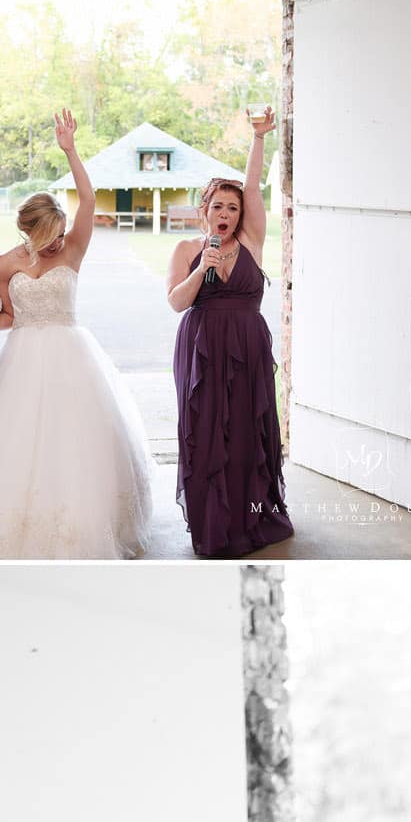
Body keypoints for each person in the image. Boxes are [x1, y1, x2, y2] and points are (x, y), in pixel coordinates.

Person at [0, 109, 154, 558]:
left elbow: (88, 202)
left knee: (74, 447)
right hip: (22, 361)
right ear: (27, 231)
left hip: (72, 359)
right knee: (14, 449)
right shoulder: (6, 264)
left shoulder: (72, 250)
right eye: (48, 236)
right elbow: (10, 315)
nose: (57, 243)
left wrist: (70, 150)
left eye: (61, 234)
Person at [168, 111, 293, 558]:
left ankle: (248, 517)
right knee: (204, 434)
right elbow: (177, 302)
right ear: (205, 210)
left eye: (232, 207)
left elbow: (254, 185)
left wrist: (258, 139)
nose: (226, 213)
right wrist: (203, 267)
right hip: (202, 350)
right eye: (218, 206)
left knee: (244, 432)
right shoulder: (186, 249)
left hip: (247, 348)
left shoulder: (252, 241)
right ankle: (211, 523)